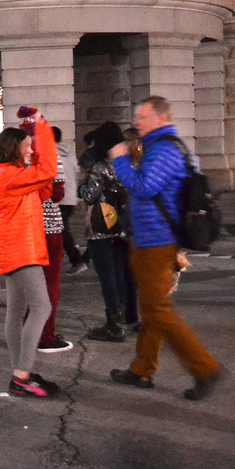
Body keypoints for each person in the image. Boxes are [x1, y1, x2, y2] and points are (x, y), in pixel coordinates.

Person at [107, 97, 224, 400]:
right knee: (152, 308)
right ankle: (141, 369)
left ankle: (205, 368)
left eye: (142, 116)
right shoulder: (161, 146)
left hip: (157, 240)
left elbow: (145, 188)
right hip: (153, 239)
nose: (136, 122)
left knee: (157, 308)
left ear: (160, 118)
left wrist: (120, 159)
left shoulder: (164, 148)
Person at [0, 108, 59, 398]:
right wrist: (40, 127)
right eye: (27, 146)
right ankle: (21, 375)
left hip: (16, 248)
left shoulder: (13, 174)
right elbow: (48, 172)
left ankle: (21, 371)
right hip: (21, 250)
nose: (32, 151)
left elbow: (46, 187)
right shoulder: (8, 175)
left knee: (17, 311)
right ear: (13, 149)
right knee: (41, 308)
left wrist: (34, 136)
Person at [80, 122, 138, 342]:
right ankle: (126, 318)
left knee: (107, 278)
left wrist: (81, 183)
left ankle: (114, 324)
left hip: (102, 228)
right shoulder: (127, 164)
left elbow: (89, 196)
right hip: (121, 227)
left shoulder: (102, 166)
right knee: (121, 274)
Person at [35, 156, 73, 354]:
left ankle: (28, 332)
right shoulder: (50, 159)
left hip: (25, 227)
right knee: (50, 283)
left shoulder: (12, 157)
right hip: (49, 227)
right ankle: (45, 335)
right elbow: (57, 194)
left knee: (26, 286)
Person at [51, 128, 88, 274]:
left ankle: (77, 260)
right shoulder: (70, 156)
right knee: (61, 230)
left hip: (58, 199)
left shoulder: (50, 155)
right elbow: (79, 174)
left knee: (61, 231)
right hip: (70, 198)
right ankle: (73, 259)